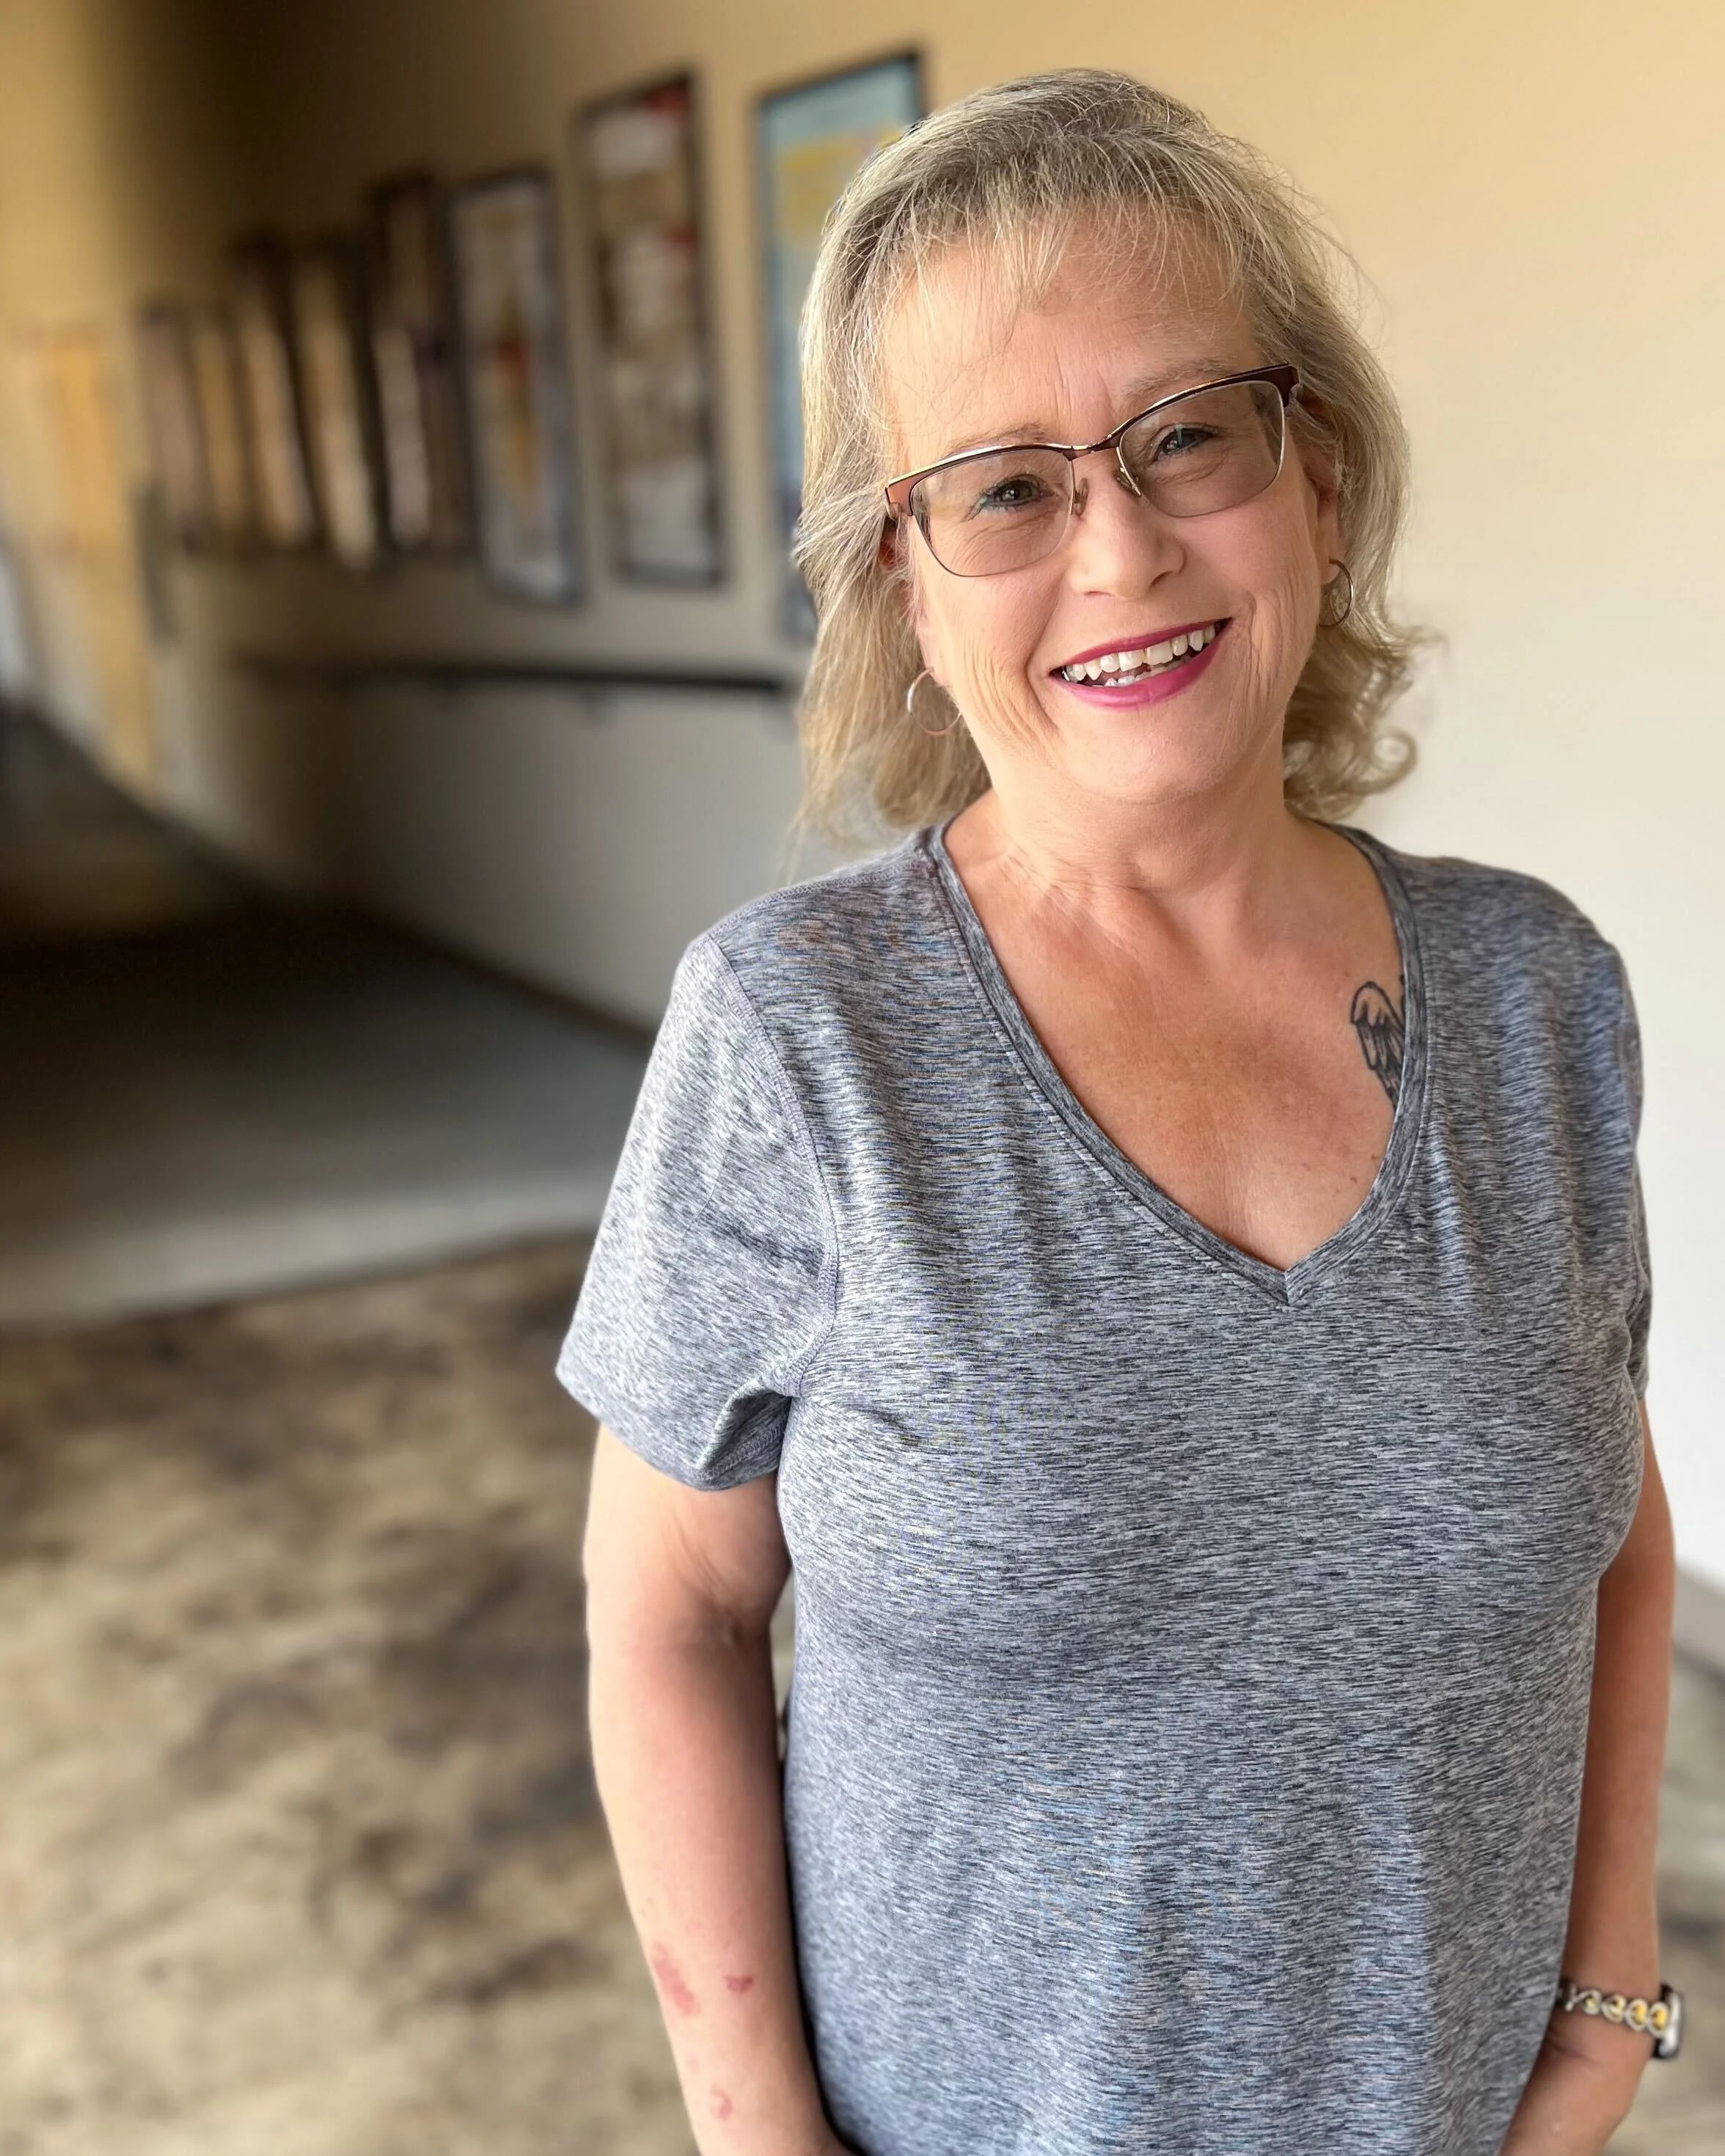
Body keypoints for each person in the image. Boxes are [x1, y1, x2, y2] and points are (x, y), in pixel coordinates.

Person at [565, 70, 1677, 2156]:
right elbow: (672, 1613)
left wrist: (1607, 2009)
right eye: (1002, 486)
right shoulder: (796, 1042)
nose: (1123, 545)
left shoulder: (1543, 999)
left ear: (1318, 479)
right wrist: (757, 2130)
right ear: (904, 580)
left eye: (1190, 434)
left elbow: (1614, 1524)